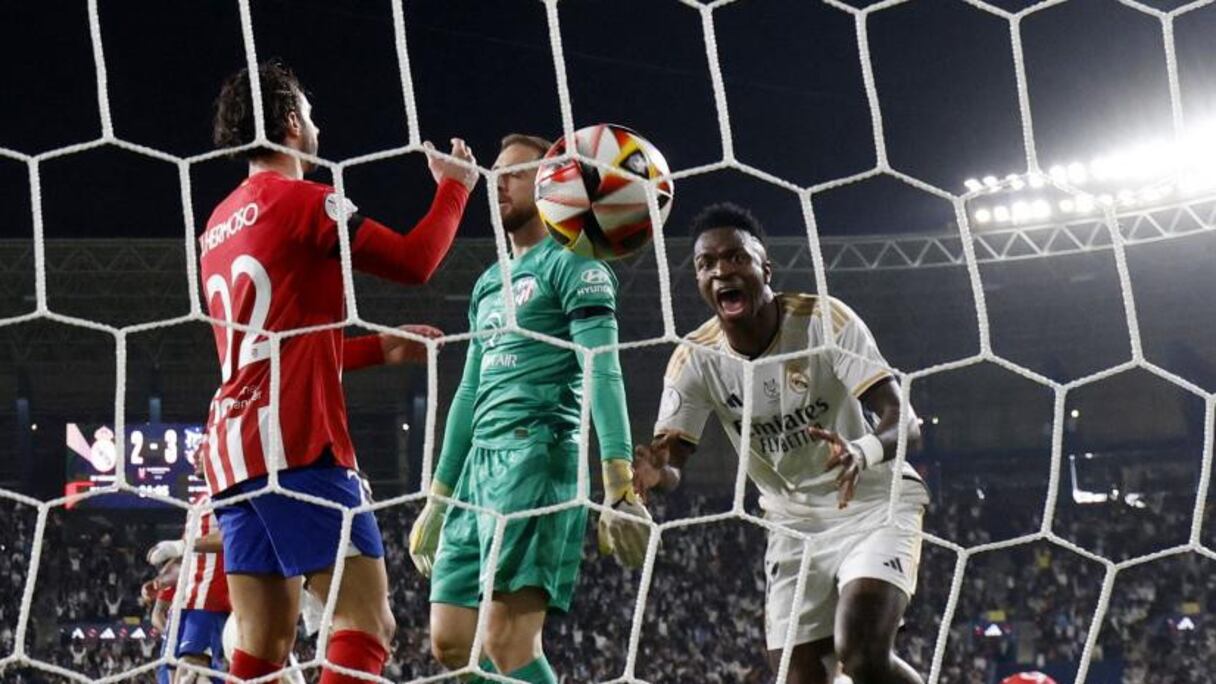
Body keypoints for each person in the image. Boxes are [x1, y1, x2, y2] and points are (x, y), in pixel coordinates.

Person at [201, 58, 477, 683]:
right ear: (293, 122)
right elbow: (414, 262)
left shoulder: (216, 225)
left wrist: (378, 348)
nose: (317, 125)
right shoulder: (303, 200)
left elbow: (277, 346)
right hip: (297, 444)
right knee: (365, 624)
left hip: (233, 448)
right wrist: (456, 186)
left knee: (264, 644)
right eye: (312, 113)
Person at [634, 202, 930, 684]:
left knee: (860, 654)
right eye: (706, 264)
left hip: (874, 504)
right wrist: (655, 474)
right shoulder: (696, 358)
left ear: (764, 268)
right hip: (792, 527)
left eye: (735, 258)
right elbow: (673, 462)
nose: (721, 271)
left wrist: (862, 450)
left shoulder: (823, 322)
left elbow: (905, 420)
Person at [407, 133, 650, 683]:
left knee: (507, 642)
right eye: (495, 172)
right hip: (477, 473)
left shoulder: (576, 263)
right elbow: (469, 393)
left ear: (551, 183)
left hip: (537, 460)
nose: (500, 182)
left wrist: (617, 480)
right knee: (450, 643)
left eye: (515, 172)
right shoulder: (489, 281)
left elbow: (602, 368)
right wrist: (438, 498)